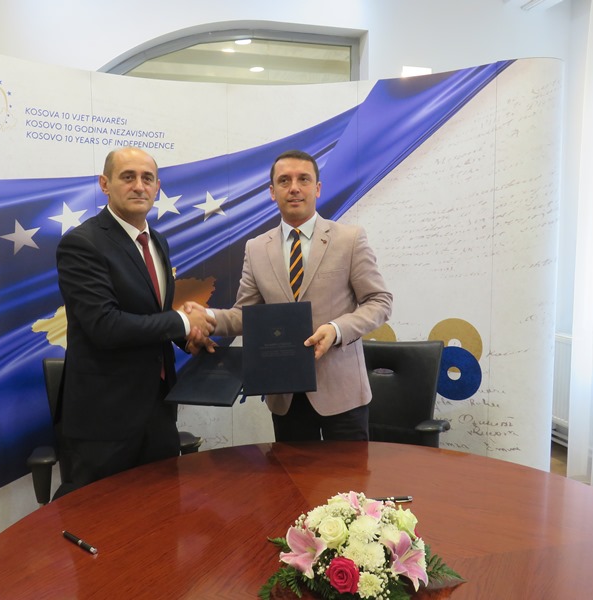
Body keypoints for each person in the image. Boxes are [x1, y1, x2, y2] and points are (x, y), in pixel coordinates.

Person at [190, 149, 393, 441]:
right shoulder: (256, 248)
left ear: (317, 188)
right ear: (272, 192)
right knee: (292, 473)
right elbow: (245, 316)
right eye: (284, 181)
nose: (294, 188)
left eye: (303, 179)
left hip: (343, 395)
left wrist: (336, 329)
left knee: (350, 472)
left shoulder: (349, 239)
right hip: (285, 396)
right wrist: (206, 317)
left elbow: (379, 301)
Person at [55, 146, 215, 497]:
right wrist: (182, 323)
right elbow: (105, 326)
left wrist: (189, 336)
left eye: (147, 178)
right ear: (105, 184)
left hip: (159, 411)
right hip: (104, 421)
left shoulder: (157, 241)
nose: (139, 186)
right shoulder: (81, 243)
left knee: (161, 514)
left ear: (158, 187)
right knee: (100, 519)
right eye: (128, 177)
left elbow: (152, 313)